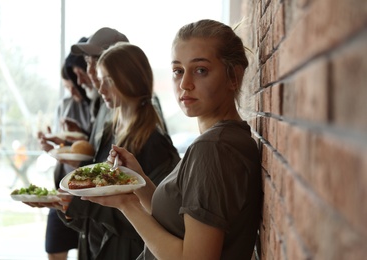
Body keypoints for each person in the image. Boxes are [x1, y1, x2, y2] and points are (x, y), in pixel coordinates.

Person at [84, 19, 263, 260]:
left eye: (201, 70)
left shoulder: (214, 148)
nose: (185, 84)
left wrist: (126, 205)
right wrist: (139, 182)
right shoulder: (224, 139)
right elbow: (176, 224)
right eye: (178, 71)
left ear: (234, 76)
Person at [57, 42, 180, 260]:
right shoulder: (110, 130)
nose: (101, 90)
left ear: (129, 80)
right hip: (98, 248)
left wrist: (82, 205)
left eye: (108, 82)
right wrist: (68, 205)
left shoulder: (155, 143)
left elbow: (159, 218)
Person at [34, 50, 92, 260]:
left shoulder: (98, 105)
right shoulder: (65, 105)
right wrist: (50, 143)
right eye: (68, 86)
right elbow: (63, 144)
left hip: (88, 192)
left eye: (74, 84)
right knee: (54, 246)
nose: (73, 90)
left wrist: (74, 140)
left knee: (88, 248)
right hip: (64, 186)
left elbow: (93, 148)